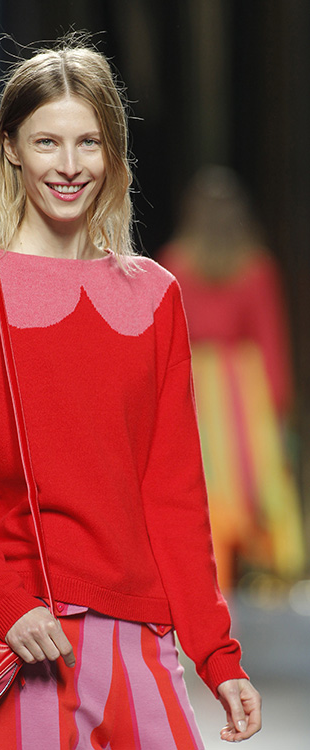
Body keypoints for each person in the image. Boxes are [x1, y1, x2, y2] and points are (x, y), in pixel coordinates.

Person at [0, 40, 261, 749]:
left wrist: (217, 656)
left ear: (112, 154)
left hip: (144, 640)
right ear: (10, 150)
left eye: (88, 142)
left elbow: (175, 495)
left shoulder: (156, 295)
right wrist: (5, 606)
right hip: (29, 636)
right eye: (47, 142)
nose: (69, 165)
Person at [159, 166, 305, 593]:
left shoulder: (175, 263)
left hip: (199, 393)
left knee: (203, 495)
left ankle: (207, 587)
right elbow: (270, 343)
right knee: (250, 498)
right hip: (243, 396)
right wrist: (279, 414)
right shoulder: (255, 266)